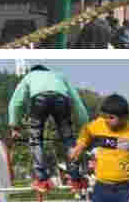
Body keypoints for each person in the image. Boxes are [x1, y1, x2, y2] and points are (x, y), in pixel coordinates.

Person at [8, 64, 90, 192]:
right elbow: (77, 101)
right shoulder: (59, 76)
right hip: (61, 100)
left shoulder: (29, 76)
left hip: (39, 100)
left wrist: (15, 126)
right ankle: (75, 178)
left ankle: (42, 179)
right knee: (68, 139)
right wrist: (85, 125)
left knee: (35, 140)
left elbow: (16, 103)